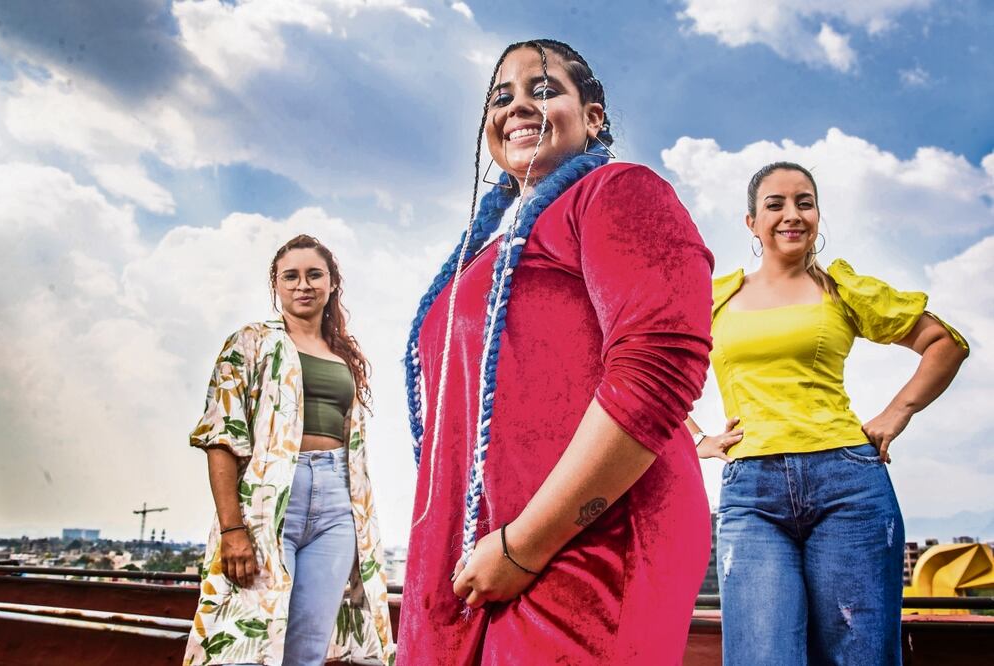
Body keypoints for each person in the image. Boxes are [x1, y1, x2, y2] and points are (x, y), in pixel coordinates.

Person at [399, 39, 714, 664]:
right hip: (477, 559)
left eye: (543, 91)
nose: (517, 106)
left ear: (593, 118)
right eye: (501, 96)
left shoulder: (617, 190)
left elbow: (658, 368)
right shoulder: (486, 251)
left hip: (584, 548)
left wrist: (523, 546)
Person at [688, 162, 970, 665]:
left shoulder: (840, 289)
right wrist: (695, 439)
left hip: (850, 487)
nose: (791, 214)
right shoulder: (717, 297)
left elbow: (943, 343)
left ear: (817, 214)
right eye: (775, 204)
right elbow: (648, 369)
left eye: (805, 202)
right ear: (751, 222)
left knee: (859, 657)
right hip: (752, 496)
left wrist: (896, 413)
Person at [184, 235, 394, 666]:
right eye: (291, 276)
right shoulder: (249, 342)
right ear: (276, 286)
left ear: (332, 283)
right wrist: (231, 529)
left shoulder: (344, 356)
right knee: (247, 641)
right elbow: (221, 436)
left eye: (315, 274)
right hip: (270, 500)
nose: (303, 285)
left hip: (338, 503)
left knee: (307, 648)